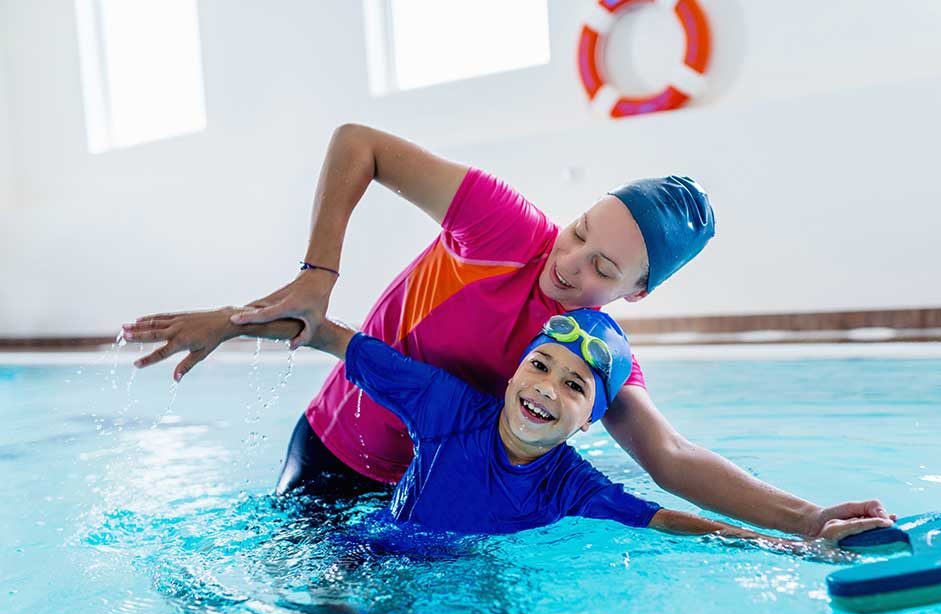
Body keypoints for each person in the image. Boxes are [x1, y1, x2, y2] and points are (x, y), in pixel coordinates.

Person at [123, 123, 896, 540]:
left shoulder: (593, 356)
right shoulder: (501, 225)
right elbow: (357, 142)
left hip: (419, 498)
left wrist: (807, 518)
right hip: (331, 454)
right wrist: (311, 278)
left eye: (603, 268)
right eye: (579, 230)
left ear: (636, 292)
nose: (569, 264)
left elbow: (671, 457)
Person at [128, 304, 873, 557]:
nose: (548, 388)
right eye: (540, 368)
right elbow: (332, 337)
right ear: (513, 374)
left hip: (459, 571)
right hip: (368, 552)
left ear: (588, 422)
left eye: (575, 386)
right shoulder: (450, 408)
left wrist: (795, 541)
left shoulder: (572, 484)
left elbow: (676, 523)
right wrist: (225, 325)